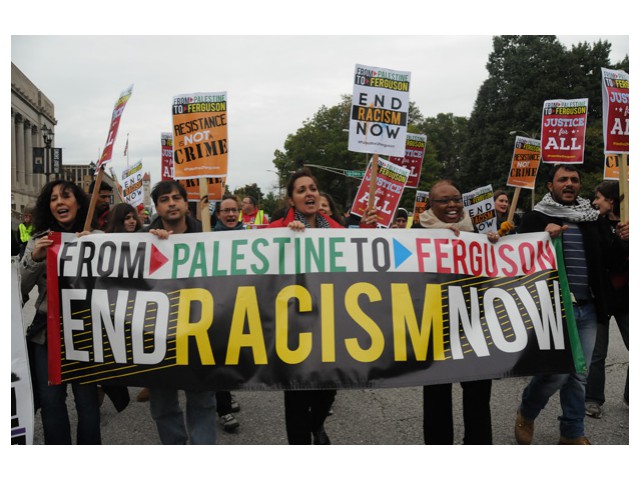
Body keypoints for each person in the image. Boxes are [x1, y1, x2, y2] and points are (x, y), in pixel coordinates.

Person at [268, 167, 377, 444]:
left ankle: (316, 425)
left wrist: (366, 230)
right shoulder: (277, 230)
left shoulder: (337, 230)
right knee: (296, 396)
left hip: (329, 324)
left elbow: (359, 256)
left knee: (328, 388)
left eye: (313, 188)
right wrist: (286, 238)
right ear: (292, 200)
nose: (309, 193)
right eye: (301, 190)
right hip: (293, 326)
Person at [514, 164, 607, 445]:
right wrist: (543, 236)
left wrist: (626, 238)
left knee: (579, 375)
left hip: (587, 308)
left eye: (575, 180)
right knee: (555, 374)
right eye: (562, 179)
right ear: (549, 186)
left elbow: (608, 258)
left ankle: (572, 432)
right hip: (552, 310)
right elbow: (517, 258)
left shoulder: (592, 218)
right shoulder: (535, 218)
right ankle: (527, 411)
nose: (569, 183)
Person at [413, 179, 496, 444]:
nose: (452, 205)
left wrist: (495, 244)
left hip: (474, 325)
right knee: (436, 397)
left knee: (479, 396)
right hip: (435, 327)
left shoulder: (477, 233)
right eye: (444, 200)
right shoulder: (414, 233)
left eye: (456, 199)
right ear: (430, 205)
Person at [20, 179, 101, 444]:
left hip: (86, 333)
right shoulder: (37, 241)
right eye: (54, 199)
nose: (59, 203)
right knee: (51, 403)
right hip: (47, 335)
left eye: (66, 197)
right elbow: (16, 291)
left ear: (78, 203)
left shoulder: (98, 238)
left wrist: (98, 250)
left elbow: (122, 280)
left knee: (88, 403)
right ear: (48, 206)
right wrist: (34, 259)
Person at [143, 180, 218, 444]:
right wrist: (85, 240)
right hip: (158, 336)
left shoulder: (210, 237)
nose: (171, 203)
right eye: (164, 200)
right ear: (157, 208)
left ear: (187, 204)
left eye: (176, 198)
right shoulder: (143, 240)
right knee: (163, 406)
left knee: (203, 402)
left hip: (199, 334)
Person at [585, 180, 629, 418]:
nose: (594, 201)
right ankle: (592, 399)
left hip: (628, 297)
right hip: (601, 296)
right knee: (597, 353)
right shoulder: (594, 224)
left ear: (611, 200)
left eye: (598, 197)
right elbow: (606, 259)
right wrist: (621, 242)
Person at [211, 195, 247, 432]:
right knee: (217, 358)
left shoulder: (250, 237)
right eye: (227, 211)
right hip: (216, 307)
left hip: (242, 305)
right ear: (218, 215)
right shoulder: (208, 237)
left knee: (233, 356)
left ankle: (227, 393)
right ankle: (223, 409)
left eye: (235, 210)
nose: (231, 214)